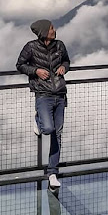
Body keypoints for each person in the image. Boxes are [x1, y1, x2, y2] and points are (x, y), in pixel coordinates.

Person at [16, 19, 70, 189]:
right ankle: (38, 118)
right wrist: (36, 71)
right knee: (48, 129)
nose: (54, 30)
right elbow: (20, 65)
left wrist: (63, 67)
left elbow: (67, 61)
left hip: (60, 94)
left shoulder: (60, 45)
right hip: (43, 94)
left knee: (57, 134)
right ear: (44, 31)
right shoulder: (31, 47)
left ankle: (52, 172)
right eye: (51, 28)